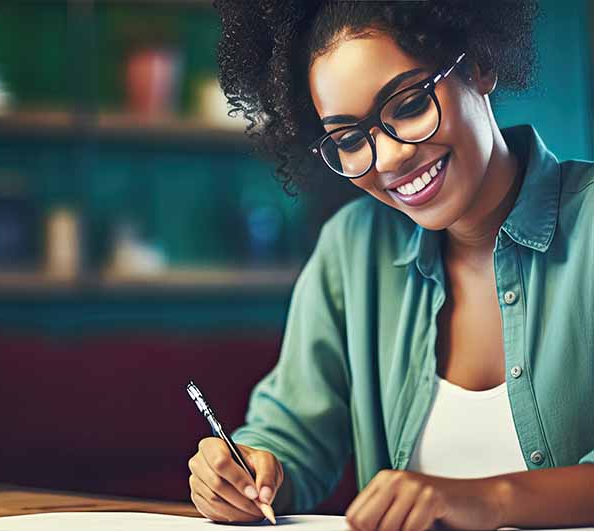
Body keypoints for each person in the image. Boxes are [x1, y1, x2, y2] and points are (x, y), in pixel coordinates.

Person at [187, 2, 594, 530]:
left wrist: (487, 499)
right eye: (351, 140)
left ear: (479, 67)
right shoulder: (353, 251)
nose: (389, 159)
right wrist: (250, 473)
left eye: (407, 106)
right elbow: (290, 438)